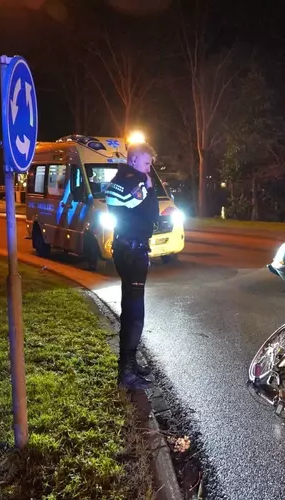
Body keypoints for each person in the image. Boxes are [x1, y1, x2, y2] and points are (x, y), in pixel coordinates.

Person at [105, 142, 159, 389]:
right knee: (135, 314)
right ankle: (126, 373)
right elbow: (151, 214)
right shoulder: (133, 181)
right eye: (147, 163)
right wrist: (148, 186)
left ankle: (129, 364)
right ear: (134, 160)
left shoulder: (123, 178)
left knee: (131, 308)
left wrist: (147, 186)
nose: (150, 168)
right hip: (132, 252)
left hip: (127, 249)